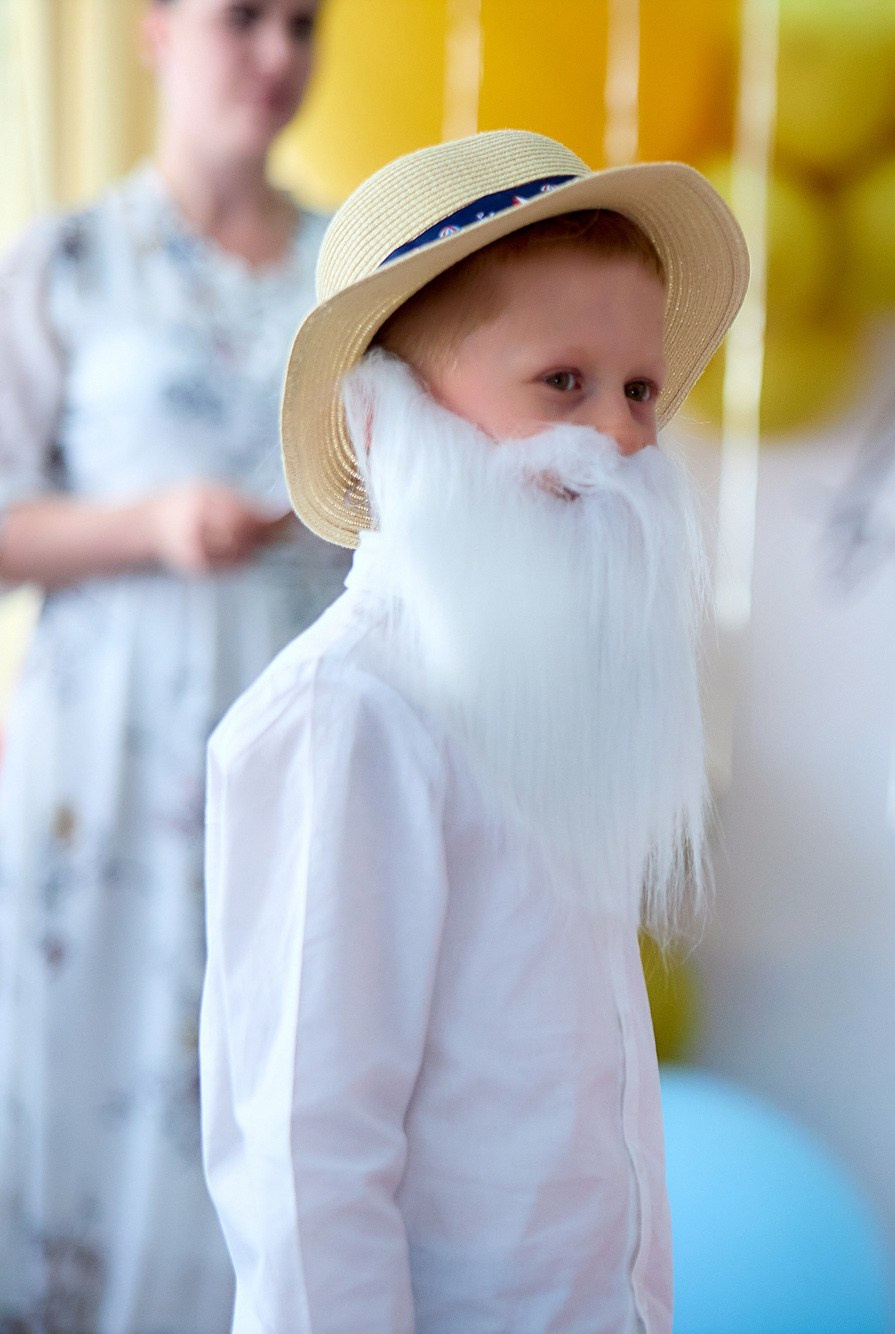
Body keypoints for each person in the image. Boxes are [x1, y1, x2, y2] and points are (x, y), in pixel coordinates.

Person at [199, 128, 744, 1328]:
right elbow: (309, 1162)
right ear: (390, 415)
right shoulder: (345, 717)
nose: (619, 437)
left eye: (640, 389)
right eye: (563, 382)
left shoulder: (550, 714)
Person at [0, 1, 339, 1327]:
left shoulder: (349, 275)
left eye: (304, 24)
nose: (275, 54)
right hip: (106, 774)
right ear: (154, 29)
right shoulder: (66, 264)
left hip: (301, 747)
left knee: (285, 1077)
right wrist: (153, 524)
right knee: (83, 1081)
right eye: (243, 16)